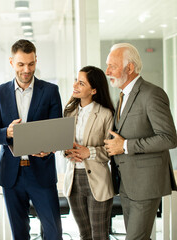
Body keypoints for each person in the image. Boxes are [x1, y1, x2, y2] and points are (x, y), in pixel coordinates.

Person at [0, 39, 63, 240]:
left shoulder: (50, 91)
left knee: (54, 233)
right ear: (11, 62)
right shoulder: (0, 93)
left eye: (31, 64)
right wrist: (8, 133)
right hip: (12, 176)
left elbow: (58, 131)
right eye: (21, 64)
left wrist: (49, 148)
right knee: (19, 234)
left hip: (42, 172)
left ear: (36, 60)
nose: (26, 70)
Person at [104, 43, 177, 240]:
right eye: (107, 65)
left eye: (112, 65)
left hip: (146, 184)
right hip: (127, 183)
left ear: (130, 68)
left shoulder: (152, 94)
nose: (107, 71)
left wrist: (125, 146)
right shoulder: (122, 96)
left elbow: (169, 138)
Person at [63, 66, 115, 240]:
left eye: (81, 83)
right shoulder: (68, 112)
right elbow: (62, 143)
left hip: (97, 181)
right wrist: (67, 151)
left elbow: (111, 150)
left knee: (99, 235)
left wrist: (88, 152)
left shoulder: (106, 114)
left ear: (93, 90)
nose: (75, 85)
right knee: (84, 234)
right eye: (76, 80)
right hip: (73, 180)